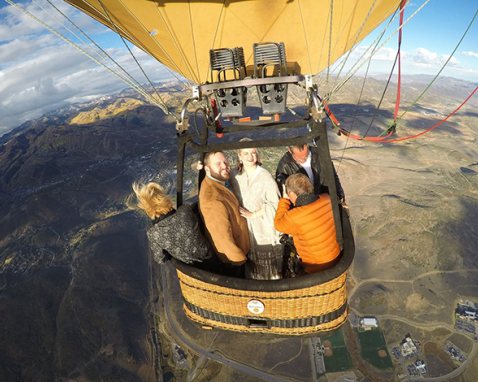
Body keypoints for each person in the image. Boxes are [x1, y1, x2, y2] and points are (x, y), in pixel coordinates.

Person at [230, 143, 283, 280]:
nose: (250, 156)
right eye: (246, 153)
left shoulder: (265, 177)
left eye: (253, 153)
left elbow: (276, 204)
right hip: (246, 229)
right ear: (239, 156)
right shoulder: (235, 175)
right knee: (252, 266)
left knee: (269, 268)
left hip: (263, 228)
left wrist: (254, 214)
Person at [274, 173, 341, 274]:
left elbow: (278, 224)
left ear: (291, 194)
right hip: (335, 259)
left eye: (288, 193)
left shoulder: (294, 217)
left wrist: (284, 200)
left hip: (315, 268)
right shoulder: (327, 199)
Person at [132, 182, 211, 264]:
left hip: (191, 268)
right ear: (165, 198)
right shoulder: (184, 211)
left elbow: (161, 260)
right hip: (210, 255)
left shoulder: (153, 234)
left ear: (146, 209)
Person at [199, 151, 250, 276]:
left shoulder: (216, 183)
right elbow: (222, 238)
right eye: (218, 164)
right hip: (234, 261)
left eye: (225, 162)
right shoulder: (212, 199)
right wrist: (240, 260)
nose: (224, 166)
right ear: (207, 168)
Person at [275, 143, 345, 203]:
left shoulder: (320, 154)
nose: (303, 159)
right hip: (306, 209)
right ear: (290, 151)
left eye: (306, 156)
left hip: (326, 202)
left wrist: (340, 195)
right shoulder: (284, 167)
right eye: (299, 158)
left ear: (307, 146)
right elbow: (284, 196)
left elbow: (333, 176)